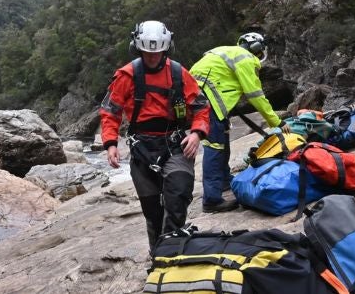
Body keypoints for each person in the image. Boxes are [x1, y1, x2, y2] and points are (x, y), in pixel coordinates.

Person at [99, 20, 210, 252]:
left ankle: (171, 251)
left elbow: (200, 106)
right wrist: (110, 143)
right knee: (153, 211)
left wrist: (198, 133)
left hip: (175, 144)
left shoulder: (179, 74)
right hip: (142, 148)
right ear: (137, 48)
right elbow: (111, 112)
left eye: (157, 52)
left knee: (178, 195)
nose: (152, 57)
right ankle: (157, 254)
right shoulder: (126, 76)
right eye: (147, 52)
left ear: (165, 48)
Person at [189, 32, 290, 213]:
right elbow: (255, 95)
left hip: (198, 97)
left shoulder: (225, 50)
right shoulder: (246, 58)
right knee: (214, 146)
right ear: (257, 49)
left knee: (221, 140)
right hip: (209, 101)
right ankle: (211, 200)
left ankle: (225, 181)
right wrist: (277, 121)